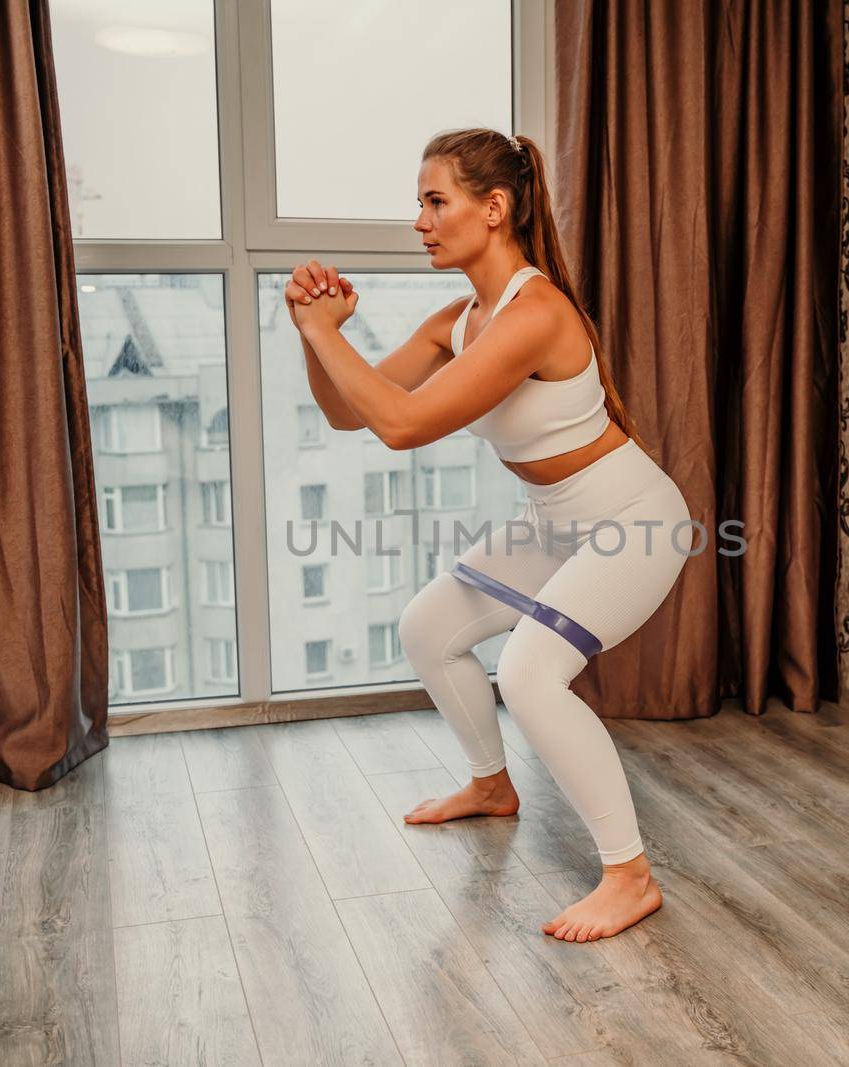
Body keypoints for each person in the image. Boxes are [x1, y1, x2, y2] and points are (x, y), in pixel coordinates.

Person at [285, 128, 690, 942]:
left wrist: (332, 335)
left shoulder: (534, 312)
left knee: (533, 672)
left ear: (494, 208)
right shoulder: (458, 320)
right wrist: (310, 330)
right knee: (428, 627)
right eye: (421, 204)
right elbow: (343, 411)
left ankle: (630, 875)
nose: (421, 221)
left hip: (633, 523)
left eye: (437, 202)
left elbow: (400, 427)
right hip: (555, 524)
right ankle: (490, 785)